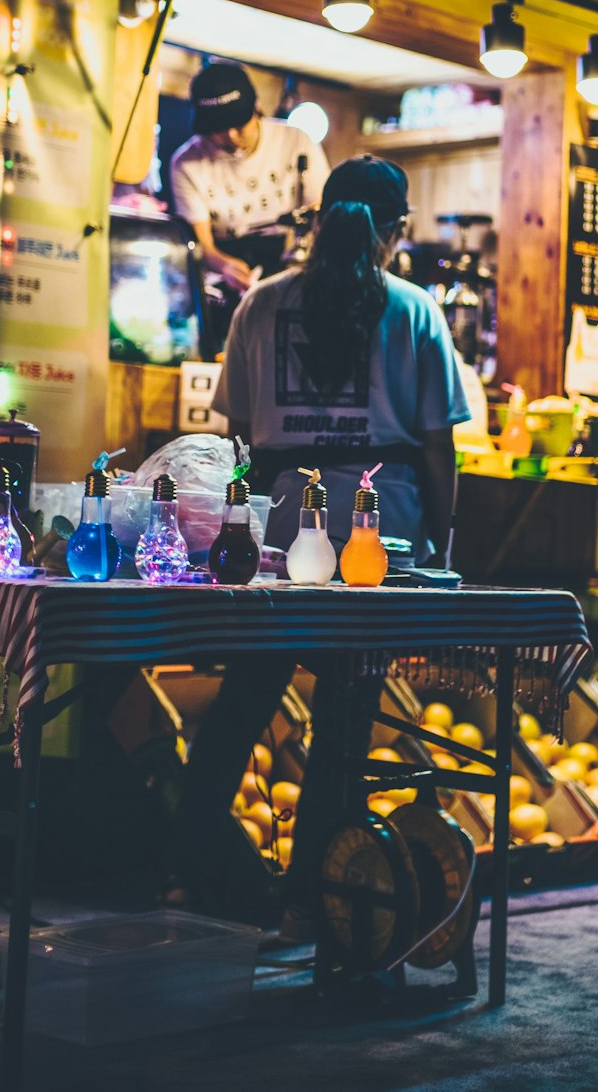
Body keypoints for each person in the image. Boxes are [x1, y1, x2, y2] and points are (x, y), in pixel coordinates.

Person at [165, 155, 470, 931]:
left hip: (274, 533)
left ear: (318, 217)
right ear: (395, 232)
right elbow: (438, 449)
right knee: (342, 725)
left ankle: (199, 875)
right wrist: (440, 549)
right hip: (378, 539)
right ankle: (313, 901)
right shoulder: (412, 311)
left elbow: (236, 438)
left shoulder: (260, 306)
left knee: (241, 707)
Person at [169, 59, 329, 294]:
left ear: (256, 108)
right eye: (220, 130)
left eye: (240, 125)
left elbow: (321, 211)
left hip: (291, 269)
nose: (231, 137)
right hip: (226, 282)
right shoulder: (186, 163)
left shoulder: (296, 140)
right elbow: (204, 247)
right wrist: (226, 266)